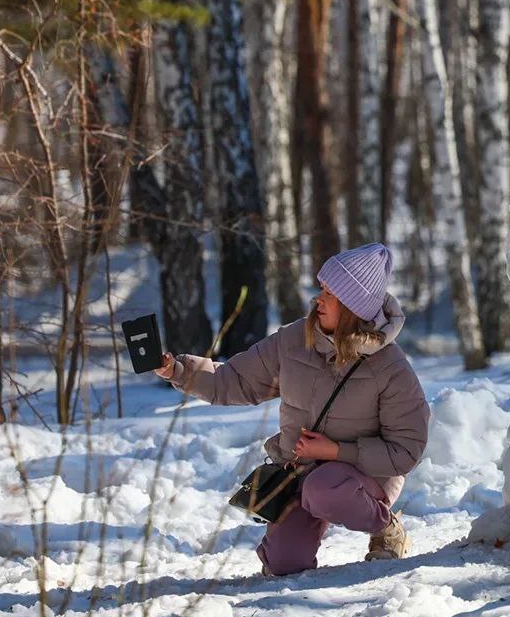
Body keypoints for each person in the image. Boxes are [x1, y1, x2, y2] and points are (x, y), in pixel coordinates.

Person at [155, 243, 430, 576]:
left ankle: (386, 529)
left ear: (353, 307)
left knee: (325, 487)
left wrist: (336, 451)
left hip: (364, 480)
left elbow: (406, 450)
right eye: (321, 289)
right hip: (302, 476)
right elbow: (236, 380)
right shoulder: (293, 341)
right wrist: (179, 372)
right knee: (284, 564)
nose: (319, 299)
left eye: (330, 293)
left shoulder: (391, 368)